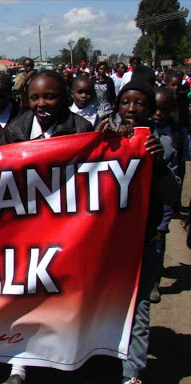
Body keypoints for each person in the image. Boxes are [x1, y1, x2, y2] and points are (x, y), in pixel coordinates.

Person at [0, 70, 93, 384]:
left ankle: (66, 355)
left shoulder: (82, 129)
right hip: (26, 228)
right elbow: (1, 173)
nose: (42, 103)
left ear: (65, 97)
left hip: (67, 228)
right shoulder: (16, 129)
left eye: (50, 96)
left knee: (60, 292)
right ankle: (20, 366)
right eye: (35, 98)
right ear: (26, 101)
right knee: (25, 292)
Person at [95, 79, 179, 384]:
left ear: (152, 109)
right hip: (105, 241)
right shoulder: (103, 134)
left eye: (140, 103)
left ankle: (132, 373)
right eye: (126, 102)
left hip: (144, 240)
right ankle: (100, 360)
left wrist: (157, 164)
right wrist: (96, 141)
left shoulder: (163, 145)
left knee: (139, 306)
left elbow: (172, 196)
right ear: (117, 106)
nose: (132, 109)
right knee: (104, 303)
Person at [149, 87, 190, 303]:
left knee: (159, 238)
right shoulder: (142, 130)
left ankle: (155, 281)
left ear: (171, 109)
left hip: (165, 194)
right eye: (154, 108)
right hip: (145, 196)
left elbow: (182, 165)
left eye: (163, 109)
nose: (158, 113)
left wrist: (178, 195)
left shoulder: (178, 132)